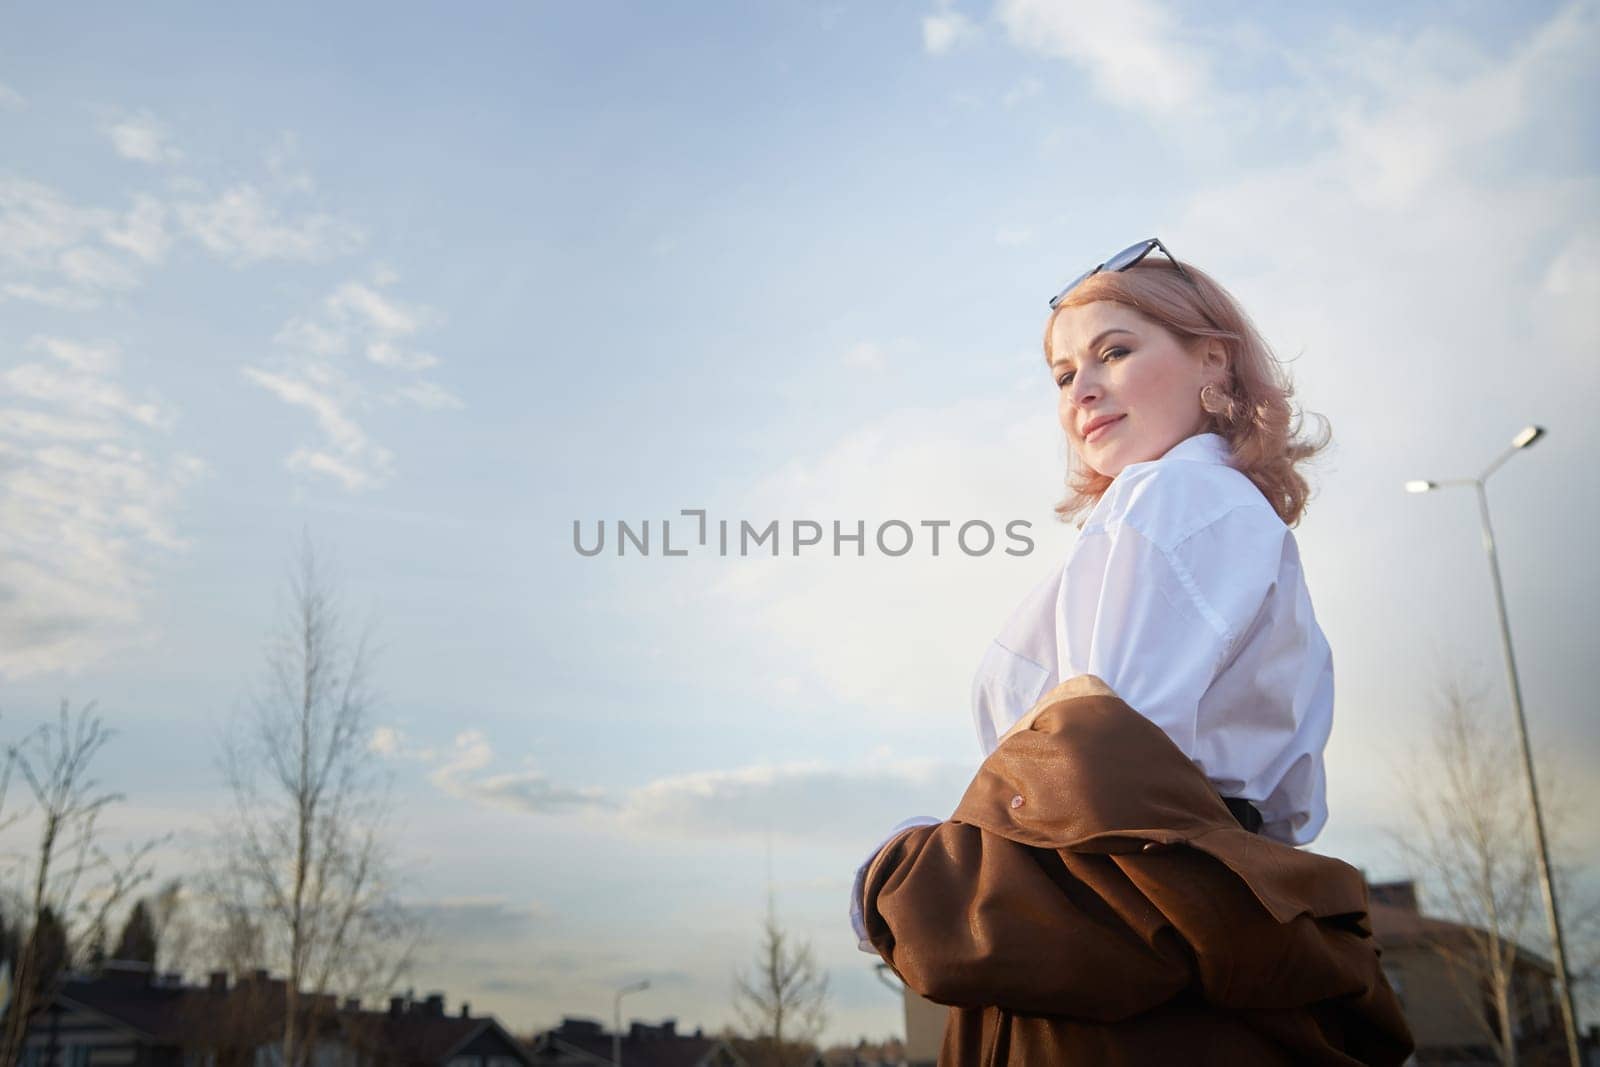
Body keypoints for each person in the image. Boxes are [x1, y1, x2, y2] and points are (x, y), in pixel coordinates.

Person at [848, 239, 1412, 1063]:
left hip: (1127, 949)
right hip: (1175, 932)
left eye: (1114, 350)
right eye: (1062, 373)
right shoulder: (1197, 507)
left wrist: (894, 884)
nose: (1082, 387)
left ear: (1211, 361)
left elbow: (1101, 783)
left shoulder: (1177, 493)